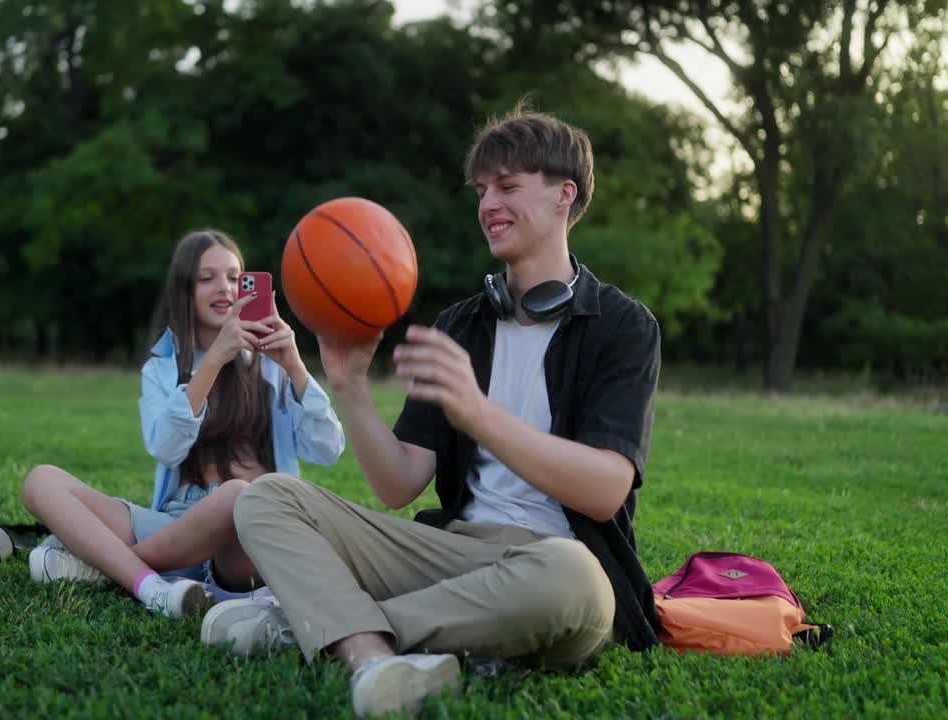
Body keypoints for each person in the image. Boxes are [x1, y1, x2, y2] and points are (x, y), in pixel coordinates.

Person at [200, 108, 663, 716]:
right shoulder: (462, 325)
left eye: (508, 186)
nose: (488, 203)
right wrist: (349, 385)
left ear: (563, 196)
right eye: (482, 190)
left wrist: (478, 414)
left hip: (555, 564)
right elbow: (399, 484)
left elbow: (605, 490)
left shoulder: (624, 327)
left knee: (573, 579)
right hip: (449, 556)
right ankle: (372, 655)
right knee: (265, 497)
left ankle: (309, 625)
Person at [22, 229, 345, 619]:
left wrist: (294, 364)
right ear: (185, 289)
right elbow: (165, 447)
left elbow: (328, 448)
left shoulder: (274, 367)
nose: (223, 288)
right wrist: (211, 363)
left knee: (239, 493)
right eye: (206, 278)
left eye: (233, 277)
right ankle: (152, 586)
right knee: (41, 481)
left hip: (249, 530)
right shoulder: (162, 368)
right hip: (176, 524)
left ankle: (106, 566)